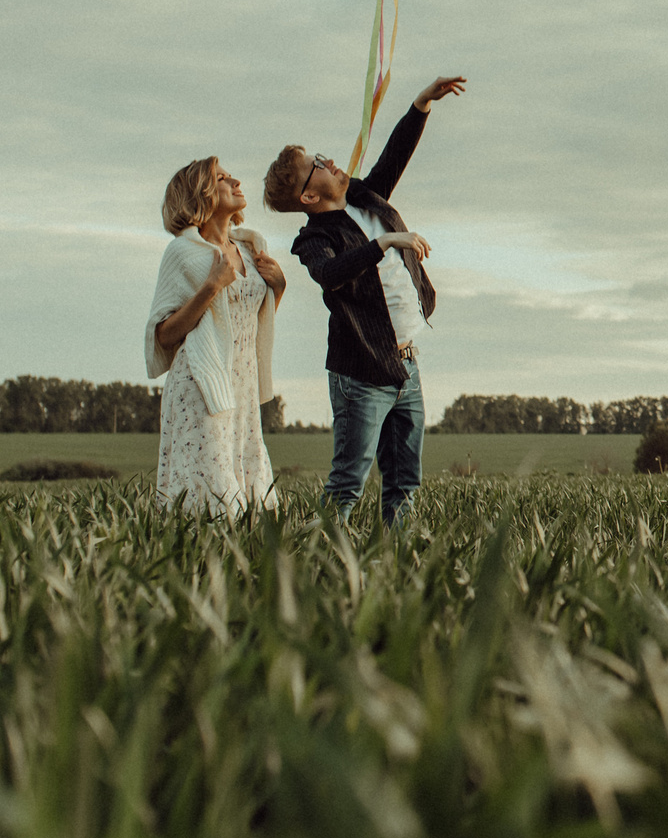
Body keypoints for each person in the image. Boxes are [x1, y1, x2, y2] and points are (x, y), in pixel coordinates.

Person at [262, 75, 467, 527]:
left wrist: (421, 104)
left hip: (406, 366)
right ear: (309, 196)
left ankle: (394, 561)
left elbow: (393, 158)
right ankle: (314, 557)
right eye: (316, 164)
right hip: (361, 374)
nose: (329, 160)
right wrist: (385, 243)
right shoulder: (313, 239)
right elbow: (330, 275)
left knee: (404, 481)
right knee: (347, 483)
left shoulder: (363, 198)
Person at [145, 157, 284, 514]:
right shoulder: (183, 253)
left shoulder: (252, 253)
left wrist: (278, 289)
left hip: (243, 386)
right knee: (212, 502)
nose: (235, 181)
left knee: (254, 507)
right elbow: (162, 336)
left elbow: (246, 323)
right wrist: (211, 286)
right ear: (201, 194)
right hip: (201, 386)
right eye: (222, 178)